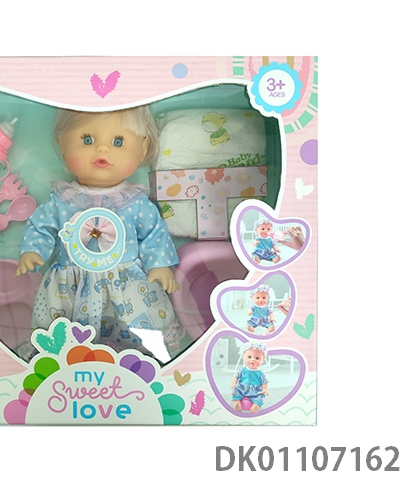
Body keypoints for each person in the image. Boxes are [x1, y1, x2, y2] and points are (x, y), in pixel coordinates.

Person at [15, 107, 188, 363]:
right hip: (69, 286)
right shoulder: (62, 200)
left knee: (136, 333)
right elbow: (41, 225)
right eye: (87, 140)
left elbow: (154, 232)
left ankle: (136, 364)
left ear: (142, 149)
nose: (102, 149)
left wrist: (160, 265)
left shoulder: (135, 203)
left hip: (126, 284)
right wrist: (32, 251)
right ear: (62, 144)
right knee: (64, 338)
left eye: (118, 142)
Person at [231, 341, 269, 413]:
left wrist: (265, 389)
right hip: (242, 388)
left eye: (257, 358)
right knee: (236, 392)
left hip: (255, 391)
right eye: (249, 357)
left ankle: (256, 406)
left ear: (263, 360)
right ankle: (236, 403)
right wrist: (234, 383)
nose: (252, 360)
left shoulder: (260, 373)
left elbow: (264, 382)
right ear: (244, 357)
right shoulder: (242, 370)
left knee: (260, 396)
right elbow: (235, 376)